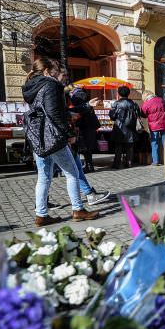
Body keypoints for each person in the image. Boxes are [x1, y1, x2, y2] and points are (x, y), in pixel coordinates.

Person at [22, 57, 99, 226]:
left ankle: (41, 214)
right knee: (72, 172)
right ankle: (78, 210)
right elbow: (54, 113)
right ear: (47, 71)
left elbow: (49, 112)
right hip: (53, 137)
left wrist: (81, 109)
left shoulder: (31, 86)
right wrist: (67, 133)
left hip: (38, 137)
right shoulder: (50, 85)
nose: (60, 77)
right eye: (57, 72)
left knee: (43, 178)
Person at [109, 86, 141, 169]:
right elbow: (139, 115)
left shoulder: (116, 103)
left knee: (118, 146)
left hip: (119, 127)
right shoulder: (134, 104)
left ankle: (117, 163)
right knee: (130, 146)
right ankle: (129, 162)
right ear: (128, 93)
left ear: (119, 93)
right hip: (131, 127)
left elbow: (112, 116)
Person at [69, 88, 100, 173]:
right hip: (90, 126)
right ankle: (89, 166)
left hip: (82, 126)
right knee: (88, 148)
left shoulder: (77, 99)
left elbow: (76, 111)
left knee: (78, 147)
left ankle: (77, 167)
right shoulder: (86, 100)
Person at [141, 91, 165, 165]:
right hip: (163, 124)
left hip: (153, 126)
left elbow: (143, 113)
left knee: (154, 142)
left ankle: (156, 161)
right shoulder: (161, 100)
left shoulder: (147, 103)